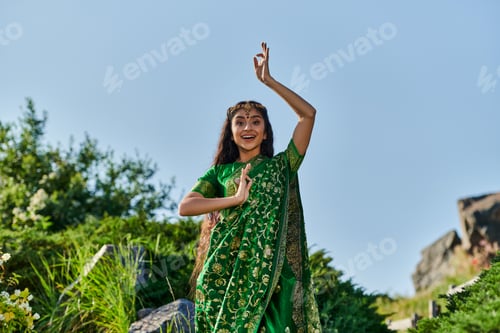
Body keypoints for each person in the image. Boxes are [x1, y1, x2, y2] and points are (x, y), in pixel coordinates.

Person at [179, 42, 322, 332]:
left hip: (270, 279)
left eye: (256, 122)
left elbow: (308, 115)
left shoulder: (281, 167)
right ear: (231, 133)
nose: (248, 128)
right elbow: (186, 206)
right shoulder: (219, 172)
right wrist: (233, 199)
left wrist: (268, 81)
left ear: (265, 131)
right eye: (240, 122)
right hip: (222, 273)